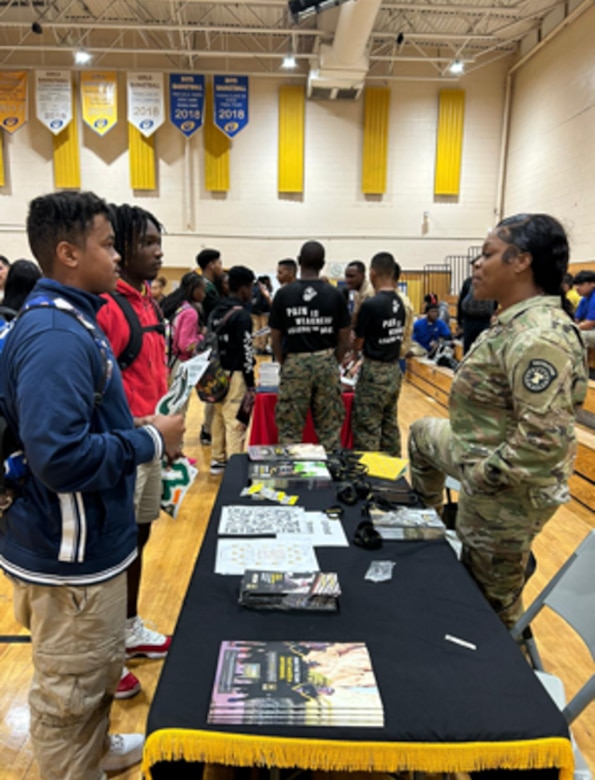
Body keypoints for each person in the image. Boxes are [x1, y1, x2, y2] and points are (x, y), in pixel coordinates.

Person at [0, 191, 184, 780]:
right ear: (67, 253)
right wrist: (150, 441)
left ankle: (98, 749)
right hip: (66, 556)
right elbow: (59, 458)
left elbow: (82, 421)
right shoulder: (56, 333)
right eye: (107, 244)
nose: (118, 253)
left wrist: (133, 425)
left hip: (86, 548)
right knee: (69, 694)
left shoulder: (77, 317)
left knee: (97, 668)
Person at [409, 213, 588, 629]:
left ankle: (504, 682)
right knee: (420, 434)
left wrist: (480, 479)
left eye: (487, 254)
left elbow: (542, 444)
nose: (476, 264)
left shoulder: (539, 336)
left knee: (486, 612)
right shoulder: (511, 320)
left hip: (509, 490)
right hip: (481, 454)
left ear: (521, 261)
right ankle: (428, 531)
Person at [96, 203, 175, 700]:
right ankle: (105, 654)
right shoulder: (110, 307)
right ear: (120, 249)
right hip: (127, 447)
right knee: (114, 548)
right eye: (146, 242)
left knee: (136, 541)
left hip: (152, 445)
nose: (158, 250)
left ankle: (127, 630)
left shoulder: (148, 302)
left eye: (157, 241)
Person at [269, 240, 351, 452]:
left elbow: (275, 337)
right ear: (323, 264)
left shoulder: (283, 295)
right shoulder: (335, 295)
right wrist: (333, 362)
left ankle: (290, 480)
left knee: (289, 431)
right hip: (326, 361)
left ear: (298, 261)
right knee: (330, 430)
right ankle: (333, 478)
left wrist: (285, 362)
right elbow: (344, 338)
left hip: (294, 361)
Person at [351, 252, 406, 456]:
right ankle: (394, 476)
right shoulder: (400, 303)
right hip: (393, 370)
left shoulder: (371, 305)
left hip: (374, 372)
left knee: (367, 429)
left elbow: (360, 341)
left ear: (372, 273)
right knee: (389, 426)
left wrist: (354, 349)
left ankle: (370, 480)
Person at [209, 266, 255, 475]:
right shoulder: (242, 316)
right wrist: (251, 382)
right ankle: (235, 466)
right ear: (244, 288)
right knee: (234, 421)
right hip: (235, 374)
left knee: (217, 417)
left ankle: (217, 460)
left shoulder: (216, 310)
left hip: (215, 372)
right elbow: (246, 352)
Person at [196, 248, 225, 446]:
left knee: (213, 389)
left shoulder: (210, 286)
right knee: (213, 388)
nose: (221, 267)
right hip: (209, 344)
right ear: (211, 265)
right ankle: (207, 429)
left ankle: (208, 429)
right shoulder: (205, 288)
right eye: (220, 263)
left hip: (210, 342)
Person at [168, 272, 206, 366]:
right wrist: (201, 337)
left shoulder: (179, 306)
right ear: (192, 289)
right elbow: (185, 346)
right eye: (202, 290)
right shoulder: (190, 313)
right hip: (182, 363)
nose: (204, 295)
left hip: (169, 359)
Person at [456, 274, 497, 354]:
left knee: (483, 348)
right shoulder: (468, 282)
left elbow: (495, 299)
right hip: (469, 320)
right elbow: (461, 302)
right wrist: (459, 322)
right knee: (468, 349)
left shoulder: (491, 282)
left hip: (485, 320)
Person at [344, 260, 374, 324]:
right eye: (346, 276)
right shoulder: (356, 293)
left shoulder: (370, 292)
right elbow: (355, 317)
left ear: (362, 275)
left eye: (351, 276)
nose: (347, 280)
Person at [573, 269, 595, 348]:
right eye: (576, 285)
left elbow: (588, 325)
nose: (577, 288)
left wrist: (569, 330)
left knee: (576, 337)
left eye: (581, 284)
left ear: (593, 284)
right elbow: (576, 319)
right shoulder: (584, 299)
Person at [251, 274, 272, 355]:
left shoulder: (253, 288)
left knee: (256, 329)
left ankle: (256, 347)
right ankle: (262, 347)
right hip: (265, 312)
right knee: (264, 330)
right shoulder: (265, 288)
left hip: (253, 312)